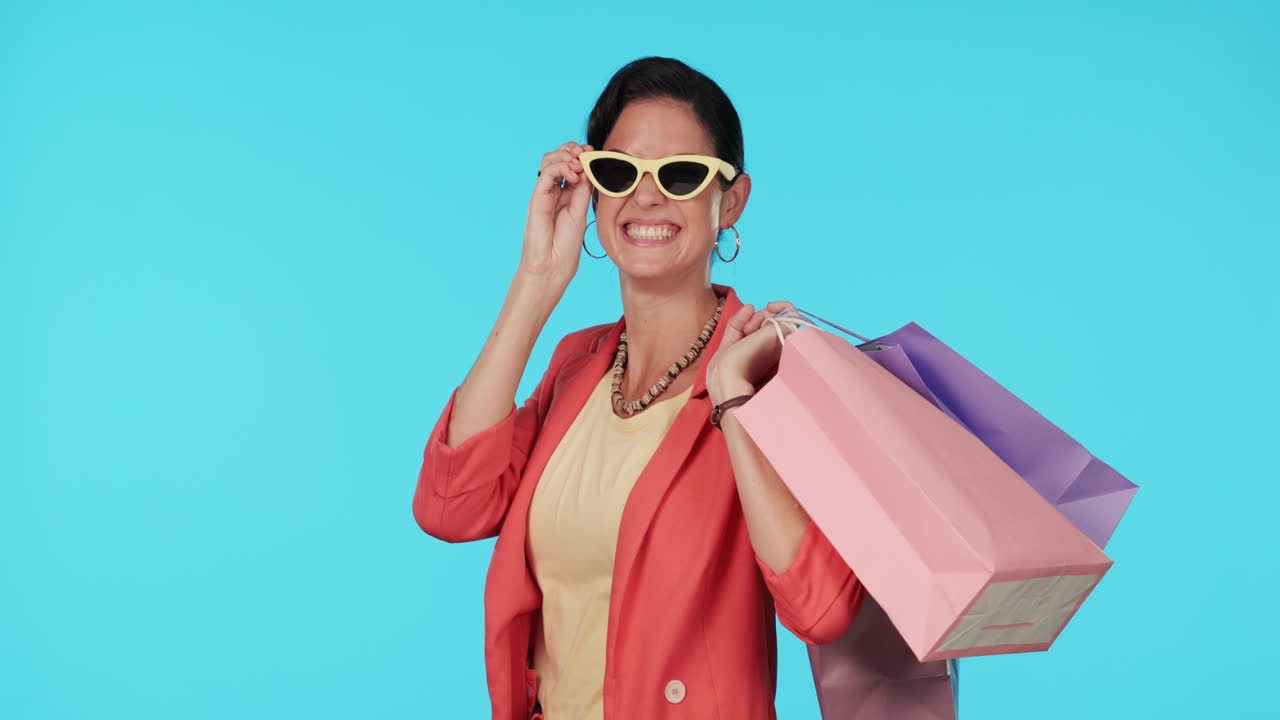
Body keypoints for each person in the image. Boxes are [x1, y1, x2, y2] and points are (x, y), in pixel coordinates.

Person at [413, 56, 865, 720]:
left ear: (730, 202)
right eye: (619, 172)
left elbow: (822, 607)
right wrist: (538, 280)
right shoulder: (577, 365)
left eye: (681, 175)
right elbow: (451, 508)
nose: (646, 197)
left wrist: (735, 401)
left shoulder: (769, 373)